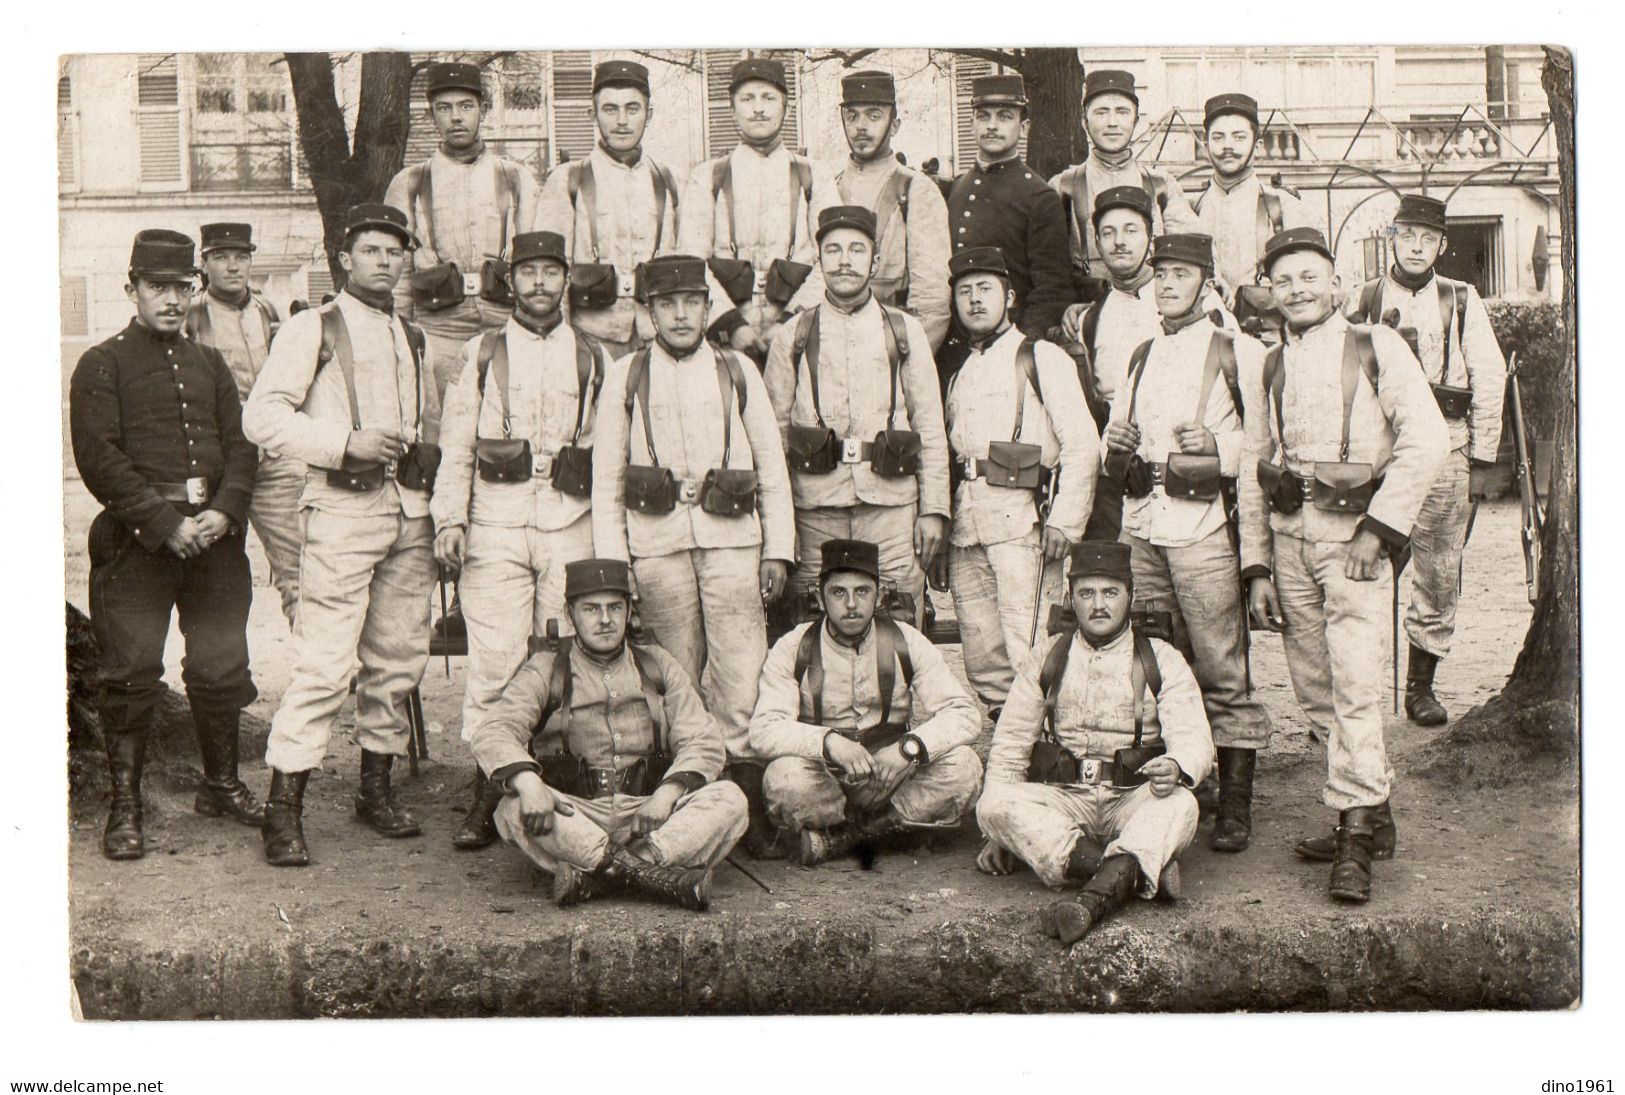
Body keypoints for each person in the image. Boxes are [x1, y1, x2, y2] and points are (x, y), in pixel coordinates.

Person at [1238, 227, 1449, 902]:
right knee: (1313, 686)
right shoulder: (1270, 363)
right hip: (1290, 543)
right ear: (1270, 293)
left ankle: (1354, 831)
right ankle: (1371, 810)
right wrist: (1256, 566)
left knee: (1356, 683)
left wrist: (1380, 529)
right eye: (1284, 279)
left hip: (1353, 544)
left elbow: (1426, 438)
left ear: (1335, 284)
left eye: (1310, 276)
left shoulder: (1375, 345)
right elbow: (1254, 466)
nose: (1297, 289)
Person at [243, 203, 437, 867]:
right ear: (345, 258)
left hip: (408, 515)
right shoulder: (311, 329)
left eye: (395, 251)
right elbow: (261, 419)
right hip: (340, 512)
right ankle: (283, 807)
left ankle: (375, 789)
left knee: (397, 658)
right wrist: (342, 441)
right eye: (372, 250)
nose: (385, 261)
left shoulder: (412, 335)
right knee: (325, 663)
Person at [591, 254, 795, 852]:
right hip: (655, 548)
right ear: (647, 312)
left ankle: (747, 801)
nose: (680, 315)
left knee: (740, 670)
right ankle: (684, 795)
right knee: (674, 673)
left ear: (709, 309)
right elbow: (607, 480)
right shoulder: (627, 376)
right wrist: (616, 566)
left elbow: (771, 468)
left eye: (692, 304)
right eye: (666, 305)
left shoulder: (737, 371)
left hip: (733, 542)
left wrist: (776, 549)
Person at [70, 229, 261, 860]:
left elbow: (241, 446)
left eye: (183, 287)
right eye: (159, 287)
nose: (173, 300)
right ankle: (125, 806)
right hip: (136, 545)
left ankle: (222, 784)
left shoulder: (209, 364)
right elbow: (99, 458)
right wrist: (161, 521)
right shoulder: (102, 363)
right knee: (128, 675)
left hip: (213, 541)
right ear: (132, 290)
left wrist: (226, 512)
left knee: (221, 665)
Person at [430, 231, 607, 849]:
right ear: (511, 281)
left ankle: (561, 777)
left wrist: (607, 542)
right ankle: (490, 782)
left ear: (567, 280)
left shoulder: (594, 354)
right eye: (527, 272)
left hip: (571, 519)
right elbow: (456, 444)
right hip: (496, 522)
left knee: (564, 654)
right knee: (497, 660)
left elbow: (608, 457)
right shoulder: (481, 352)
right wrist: (450, 519)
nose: (538, 284)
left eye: (550, 272)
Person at [1101, 232, 1273, 851]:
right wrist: (1114, 443)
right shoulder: (1141, 353)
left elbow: (1261, 446)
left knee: (1222, 664)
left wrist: (1216, 447)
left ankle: (1236, 805)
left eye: (1180, 274)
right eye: (1160, 274)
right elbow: (1115, 442)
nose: (1167, 285)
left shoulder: (1238, 351)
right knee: (1156, 660)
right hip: (1142, 525)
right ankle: (1175, 783)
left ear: (1207, 281)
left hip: (1202, 526)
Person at [469, 559, 748, 909]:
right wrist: (528, 784)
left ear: (629, 610)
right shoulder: (548, 667)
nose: (605, 620)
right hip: (576, 813)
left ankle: (600, 875)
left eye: (615, 607)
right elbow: (494, 730)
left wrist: (668, 793)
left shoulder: (656, 663)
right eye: (591, 608)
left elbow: (702, 738)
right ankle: (653, 877)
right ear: (571, 615)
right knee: (512, 810)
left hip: (649, 814)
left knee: (731, 800)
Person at [975, 540, 1214, 945]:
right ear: (1071, 598)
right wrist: (998, 836)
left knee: (1181, 804)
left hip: (1132, 798)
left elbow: (1195, 737)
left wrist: (1176, 766)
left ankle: (1087, 903)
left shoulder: (1160, 658)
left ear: (1130, 596)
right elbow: (1011, 744)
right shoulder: (1047, 657)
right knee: (993, 805)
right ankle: (1133, 869)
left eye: (1110, 593)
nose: (1098, 605)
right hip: (1065, 800)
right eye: (1086, 593)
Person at [1343, 193, 1506, 726]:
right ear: (1392, 236)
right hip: (1379, 458)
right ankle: (1359, 683)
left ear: (1441, 244)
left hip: (1447, 450)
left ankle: (1421, 686)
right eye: (1407, 235)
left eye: (1428, 238)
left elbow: (1489, 376)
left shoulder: (1461, 299)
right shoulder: (1362, 299)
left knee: (1438, 570)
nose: (1417, 246)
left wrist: (1481, 461)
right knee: (1364, 563)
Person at [763, 205, 950, 628]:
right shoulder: (793, 335)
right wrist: (780, 524)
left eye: (856, 250)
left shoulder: (903, 330)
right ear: (819, 260)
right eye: (833, 250)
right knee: (813, 620)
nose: (844, 261)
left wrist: (933, 509)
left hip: (892, 506)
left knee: (898, 615)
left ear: (875, 262)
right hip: (815, 507)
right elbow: (772, 437)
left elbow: (930, 427)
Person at [749, 539, 982, 864]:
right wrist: (828, 742)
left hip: (890, 776)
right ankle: (894, 829)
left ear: (879, 594)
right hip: (827, 778)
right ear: (820, 596)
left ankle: (843, 838)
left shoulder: (905, 639)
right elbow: (763, 731)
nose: (851, 605)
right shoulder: (795, 647)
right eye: (839, 592)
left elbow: (964, 714)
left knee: (964, 766)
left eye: (862, 591)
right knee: (784, 778)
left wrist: (909, 747)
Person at [942, 246, 1098, 716]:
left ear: (1009, 297)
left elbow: (1083, 444)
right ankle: (1012, 751)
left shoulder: (1039, 357)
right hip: (968, 528)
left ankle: (1048, 754)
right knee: (983, 655)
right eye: (964, 292)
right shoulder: (959, 372)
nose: (974, 300)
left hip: (1023, 526)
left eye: (985, 289)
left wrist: (1066, 522)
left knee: (1032, 648)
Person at [384, 61, 539, 415]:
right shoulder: (409, 184)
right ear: (430, 117)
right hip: (438, 327)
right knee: (442, 422)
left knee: (508, 420)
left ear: (483, 110)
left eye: (466, 106)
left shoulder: (517, 178)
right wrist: (405, 341)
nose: (456, 117)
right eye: (445, 108)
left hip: (504, 321)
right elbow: (398, 277)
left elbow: (536, 265)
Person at [678, 57, 836, 364]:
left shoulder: (815, 176)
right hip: (725, 342)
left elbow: (830, 257)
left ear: (786, 108)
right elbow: (691, 259)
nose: (759, 108)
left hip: (800, 335)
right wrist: (730, 325)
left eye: (769, 98)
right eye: (747, 99)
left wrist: (793, 321)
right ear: (732, 110)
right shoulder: (707, 177)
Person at [185, 222, 300, 626]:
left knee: (300, 565)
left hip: (273, 455)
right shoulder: (191, 314)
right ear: (205, 264)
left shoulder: (269, 309)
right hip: (220, 458)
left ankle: (319, 669)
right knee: (219, 579)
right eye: (221, 257)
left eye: (241, 256)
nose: (233, 267)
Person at [537, 60, 680, 360]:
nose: (622, 121)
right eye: (610, 109)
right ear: (593, 114)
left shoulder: (668, 180)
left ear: (648, 114)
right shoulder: (569, 179)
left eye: (632, 108)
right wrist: (558, 343)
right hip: (590, 337)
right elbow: (551, 268)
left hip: (657, 337)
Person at [942, 74, 1072, 373]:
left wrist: (1019, 349)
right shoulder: (957, 188)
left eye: (1004, 116)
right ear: (972, 123)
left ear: (1023, 127)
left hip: (1010, 350)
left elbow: (1052, 289)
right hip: (957, 351)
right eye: (983, 116)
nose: (991, 125)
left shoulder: (1039, 196)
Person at [1056, 186, 1164, 540]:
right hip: (1115, 472)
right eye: (1108, 233)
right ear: (1097, 245)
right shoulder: (1091, 317)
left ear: (1151, 237)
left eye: (1131, 230)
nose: (1119, 242)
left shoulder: (1188, 302)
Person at [1049, 70, 1196, 301]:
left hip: (1152, 308)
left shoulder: (1161, 185)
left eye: (1122, 112)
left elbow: (1191, 250)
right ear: (1084, 121)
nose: (1112, 123)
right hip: (1087, 309)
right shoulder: (1064, 186)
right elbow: (1050, 268)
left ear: (1136, 120)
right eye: (1101, 112)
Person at [832, 69, 951, 350]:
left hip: (894, 346)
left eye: (874, 116)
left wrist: (902, 362)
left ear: (894, 125)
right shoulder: (829, 189)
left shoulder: (916, 190)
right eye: (853, 116)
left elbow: (932, 301)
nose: (861, 126)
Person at [1190, 93, 1310, 301]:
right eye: (1218, 137)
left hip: (1266, 328)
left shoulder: (1283, 206)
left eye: (1239, 137)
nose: (1228, 146)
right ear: (1205, 144)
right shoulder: (1190, 210)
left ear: (1258, 146)